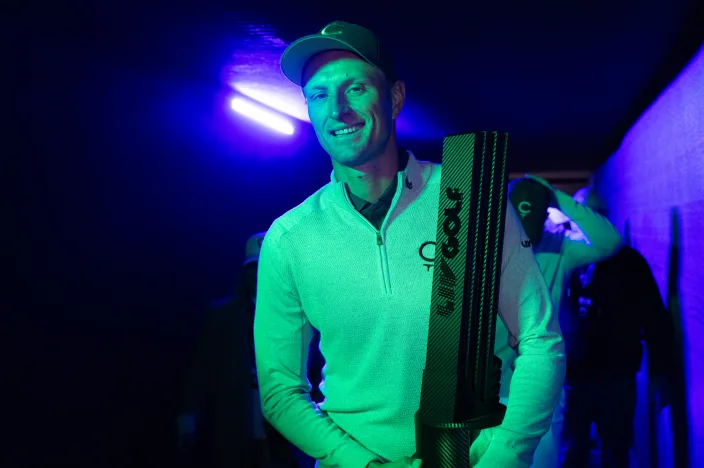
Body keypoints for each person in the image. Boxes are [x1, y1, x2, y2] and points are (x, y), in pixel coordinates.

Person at [254, 21, 565, 468]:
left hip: (473, 457)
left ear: (395, 97)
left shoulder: (470, 197)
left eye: (355, 88)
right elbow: (280, 391)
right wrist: (361, 463)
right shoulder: (289, 238)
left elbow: (539, 339)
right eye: (319, 95)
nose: (337, 110)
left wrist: (506, 454)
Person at [499, 176, 623, 468]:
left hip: (543, 386)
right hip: (496, 386)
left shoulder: (559, 248)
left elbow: (611, 241)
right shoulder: (491, 247)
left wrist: (556, 197)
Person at [559, 188, 674, 468]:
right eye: (585, 216)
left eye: (598, 215)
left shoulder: (630, 263)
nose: (591, 222)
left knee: (617, 450)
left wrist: (661, 374)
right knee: (573, 452)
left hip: (617, 376)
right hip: (574, 378)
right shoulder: (566, 261)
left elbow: (656, 320)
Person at [177, 233, 301, 468]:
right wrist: (187, 415)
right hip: (236, 421)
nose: (261, 274)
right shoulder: (223, 316)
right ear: (246, 273)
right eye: (255, 267)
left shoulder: (297, 317)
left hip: (285, 429)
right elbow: (201, 369)